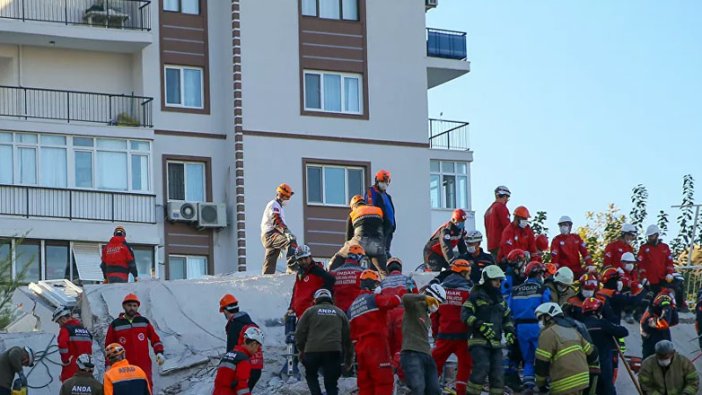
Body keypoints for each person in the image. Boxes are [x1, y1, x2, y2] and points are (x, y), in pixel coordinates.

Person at [462, 265, 515, 395]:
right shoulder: (475, 297)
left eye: (500, 280)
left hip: (495, 344)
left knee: (498, 374)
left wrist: (509, 331)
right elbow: (465, 315)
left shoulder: (500, 300)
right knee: (482, 367)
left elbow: (507, 317)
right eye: (495, 280)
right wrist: (480, 325)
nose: (498, 283)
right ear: (486, 280)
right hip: (478, 341)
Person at [349, 270, 402, 395]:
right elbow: (394, 301)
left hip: (361, 349)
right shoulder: (373, 298)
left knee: (365, 385)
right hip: (377, 346)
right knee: (383, 382)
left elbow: (352, 333)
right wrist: (399, 294)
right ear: (373, 284)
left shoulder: (352, 306)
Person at [296, 289, 352, 395]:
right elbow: (348, 339)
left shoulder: (309, 311)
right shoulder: (339, 312)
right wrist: (348, 360)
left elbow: (299, 333)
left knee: (311, 376)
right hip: (333, 351)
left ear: (315, 300)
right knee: (331, 383)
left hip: (312, 351)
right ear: (331, 299)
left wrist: (302, 350)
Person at [534, 303, 599, 395]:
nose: (540, 322)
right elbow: (592, 353)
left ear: (548, 317)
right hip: (582, 379)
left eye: (541, 318)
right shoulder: (573, 330)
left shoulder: (547, 334)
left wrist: (540, 384)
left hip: (565, 381)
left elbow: (541, 363)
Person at [431, 260, 473, 395]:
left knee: (433, 365)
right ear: (464, 272)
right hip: (463, 337)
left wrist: (435, 333)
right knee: (465, 366)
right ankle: (460, 391)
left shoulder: (440, 289)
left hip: (444, 335)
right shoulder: (469, 291)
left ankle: (430, 390)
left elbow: (434, 314)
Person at [105, 293, 164, 388]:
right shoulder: (115, 324)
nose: (132, 308)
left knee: (146, 387)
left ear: (138, 307)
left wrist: (159, 353)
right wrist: (108, 364)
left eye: (134, 305)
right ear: (124, 306)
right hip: (122, 365)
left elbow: (155, 339)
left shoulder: (144, 322)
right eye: (129, 305)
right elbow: (109, 346)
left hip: (143, 364)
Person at [508, 261, 551, 391]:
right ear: (538, 274)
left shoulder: (515, 290)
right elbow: (547, 307)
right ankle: (543, 384)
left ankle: (528, 384)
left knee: (527, 359)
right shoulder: (542, 289)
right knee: (543, 356)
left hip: (520, 328)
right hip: (537, 326)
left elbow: (509, 309)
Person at [400, 283, 446, 395]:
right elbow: (405, 298)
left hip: (427, 355)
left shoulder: (428, 316)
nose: (437, 305)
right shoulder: (414, 307)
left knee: (434, 390)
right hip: (411, 353)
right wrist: (424, 297)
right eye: (437, 302)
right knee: (418, 388)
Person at [580, 297, 629, 395]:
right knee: (607, 389)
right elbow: (623, 331)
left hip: (585, 365)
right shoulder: (603, 324)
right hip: (604, 364)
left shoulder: (581, 326)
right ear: (597, 311)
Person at [378, 257, 417, 372]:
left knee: (388, 347)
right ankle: (400, 373)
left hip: (387, 316)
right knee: (401, 347)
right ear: (400, 268)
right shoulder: (408, 280)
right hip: (403, 314)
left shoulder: (383, 282)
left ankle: (388, 372)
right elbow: (416, 297)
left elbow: (378, 300)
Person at [219, 294, 263, 391]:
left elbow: (231, 351)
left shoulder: (234, 325)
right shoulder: (250, 323)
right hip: (256, 369)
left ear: (225, 310)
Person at [637, 224, 687, 309]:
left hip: (664, 277)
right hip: (650, 280)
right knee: (654, 297)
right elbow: (640, 265)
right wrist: (643, 277)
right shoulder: (643, 248)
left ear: (657, 235)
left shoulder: (664, 247)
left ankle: (680, 306)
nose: (649, 238)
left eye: (651, 236)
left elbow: (669, 262)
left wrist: (670, 273)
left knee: (678, 285)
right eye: (649, 236)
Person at [287, 245, 335, 319]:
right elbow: (295, 293)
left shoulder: (317, 270)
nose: (303, 261)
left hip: (312, 316)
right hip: (300, 316)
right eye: (300, 259)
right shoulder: (300, 273)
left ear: (310, 257)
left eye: (306, 258)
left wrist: (319, 296)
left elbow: (331, 280)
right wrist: (291, 308)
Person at [213, 327, 264, 395]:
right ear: (253, 344)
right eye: (258, 347)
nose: (256, 351)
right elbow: (241, 386)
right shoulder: (243, 360)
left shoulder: (229, 355)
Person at [261, 183, 296, 275]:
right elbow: (276, 219)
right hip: (270, 234)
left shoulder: (279, 206)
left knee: (270, 260)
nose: (288, 199)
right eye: (287, 197)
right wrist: (286, 232)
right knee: (291, 241)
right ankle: (292, 268)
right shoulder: (274, 204)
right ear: (282, 195)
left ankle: (265, 278)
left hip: (270, 235)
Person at [346, 195, 387, 272]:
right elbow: (387, 225)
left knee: (358, 269)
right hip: (377, 244)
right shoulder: (377, 210)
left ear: (353, 206)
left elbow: (349, 236)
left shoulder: (353, 214)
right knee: (382, 270)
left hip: (361, 244)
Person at [54, 306, 93, 382]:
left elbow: (62, 346)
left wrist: (65, 360)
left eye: (59, 322)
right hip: (87, 367)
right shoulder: (84, 329)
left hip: (72, 367)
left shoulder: (65, 329)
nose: (59, 325)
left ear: (63, 319)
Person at [366, 169, 396, 257]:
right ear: (377, 181)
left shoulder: (386, 196)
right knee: (379, 251)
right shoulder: (371, 192)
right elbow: (371, 208)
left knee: (386, 250)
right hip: (379, 227)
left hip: (388, 228)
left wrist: (393, 225)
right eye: (382, 181)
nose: (385, 184)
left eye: (386, 182)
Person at [641, 293, 679, 359]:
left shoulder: (652, 315)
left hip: (660, 344)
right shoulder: (650, 316)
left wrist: (672, 309)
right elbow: (668, 321)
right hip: (654, 345)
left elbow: (674, 321)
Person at [331, 244, 365, 313]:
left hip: (338, 313)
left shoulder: (334, 273)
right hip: (356, 312)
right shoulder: (362, 273)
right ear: (359, 257)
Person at [484, 185, 511, 259]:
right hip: (501, 245)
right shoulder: (501, 207)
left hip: (491, 246)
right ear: (504, 196)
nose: (507, 200)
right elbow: (508, 227)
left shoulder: (488, 211)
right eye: (507, 197)